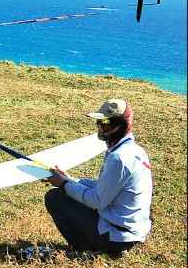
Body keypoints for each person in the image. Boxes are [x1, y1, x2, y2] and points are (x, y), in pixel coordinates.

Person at [42, 98, 152, 256]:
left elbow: (97, 201)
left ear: (123, 125)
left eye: (106, 122)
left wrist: (63, 185)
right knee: (65, 192)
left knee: (54, 197)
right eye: (99, 121)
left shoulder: (119, 158)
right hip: (131, 231)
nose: (100, 126)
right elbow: (104, 186)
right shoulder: (135, 151)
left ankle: (87, 249)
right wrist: (70, 179)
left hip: (117, 236)